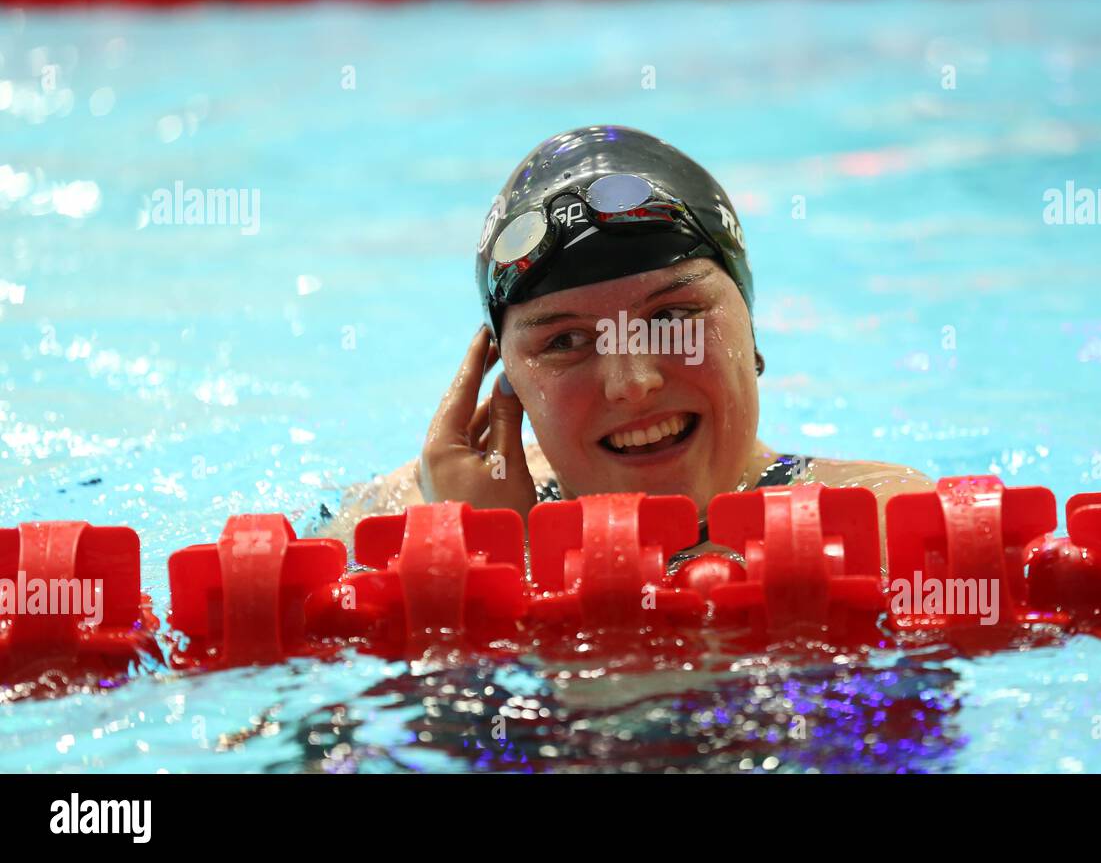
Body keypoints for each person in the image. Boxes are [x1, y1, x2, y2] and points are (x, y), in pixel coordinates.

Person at [320, 125, 932, 570]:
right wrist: (492, 548)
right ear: (509, 383)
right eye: (566, 341)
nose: (631, 381)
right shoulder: (400, 523)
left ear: (751, 333)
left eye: (671, 317)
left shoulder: (881, 520)